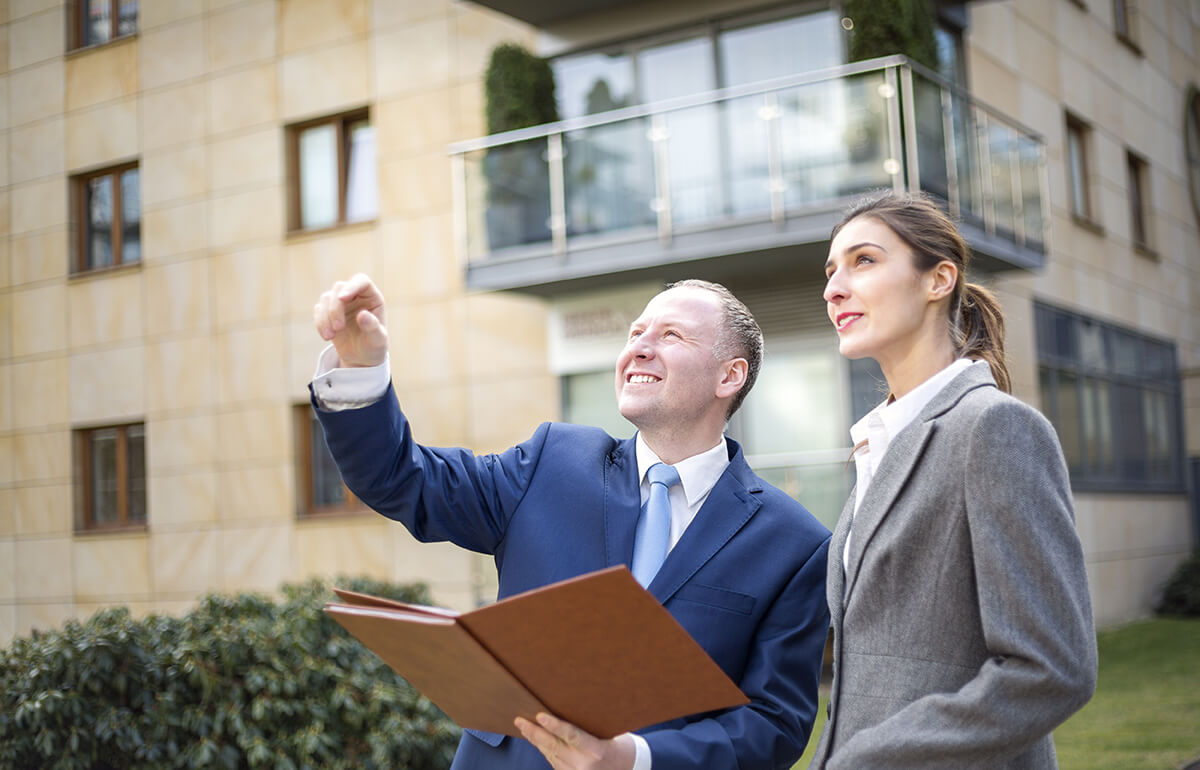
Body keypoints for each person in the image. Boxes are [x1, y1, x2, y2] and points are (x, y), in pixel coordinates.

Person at [311, 273, 832, 770]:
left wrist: (637, 761)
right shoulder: (551, 463)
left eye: (671, 335)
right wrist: (361, 372)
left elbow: (774, 725)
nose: (640, 347)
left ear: (729, 375)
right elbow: (401, 479)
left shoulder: (794, 544)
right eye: (635, 333)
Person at [809, 190, 1097, 769]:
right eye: (831, 270)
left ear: (939, 279)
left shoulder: (995, 428)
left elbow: (1051, 670)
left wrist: (868, 760)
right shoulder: (877, 443)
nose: (834, 288)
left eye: (863, 261)